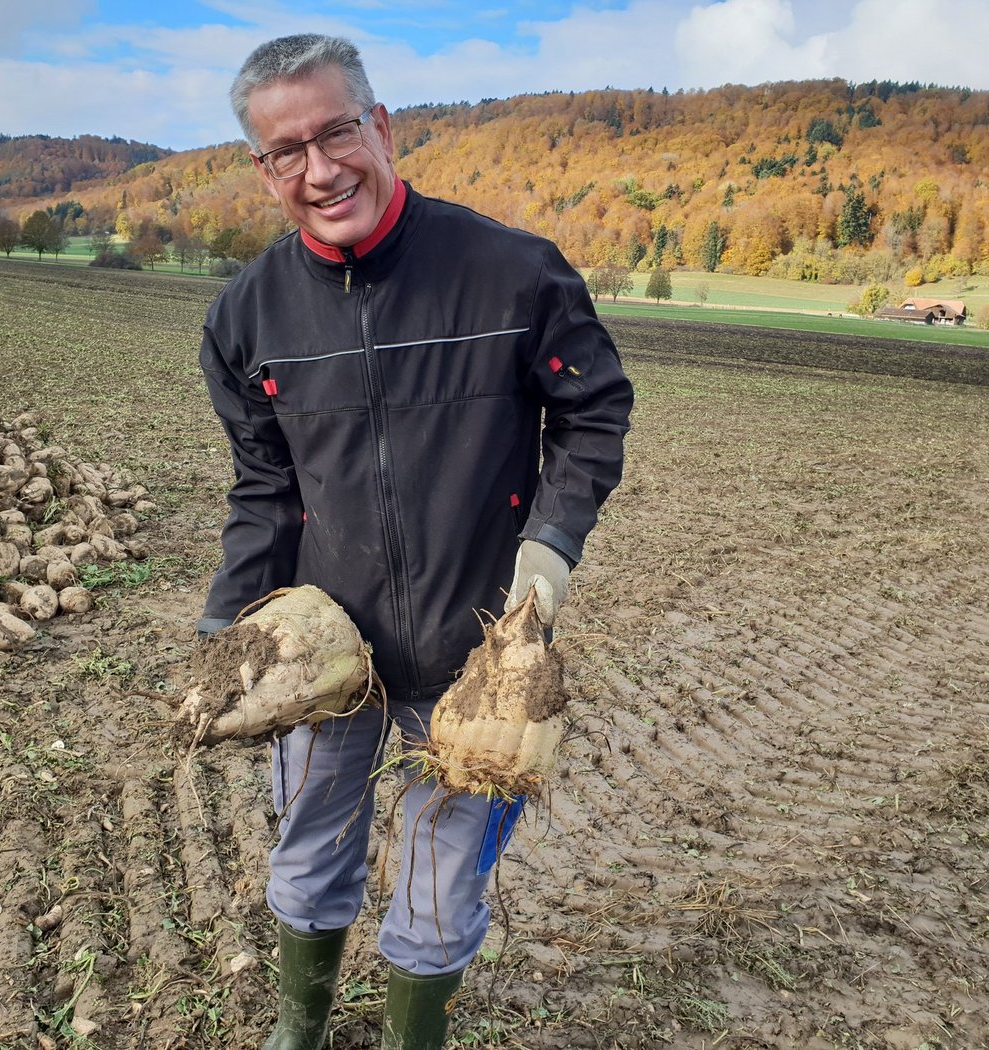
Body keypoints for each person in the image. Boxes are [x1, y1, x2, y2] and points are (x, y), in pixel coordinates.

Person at [199, 33, 633, 1050]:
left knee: (440, 892)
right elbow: (264, 488)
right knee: (307, 857)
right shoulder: (246, 317)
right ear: (263, 168)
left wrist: (544, 563)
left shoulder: (511, 274)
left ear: (381, 126)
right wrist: (227, 636)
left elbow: (593, 413)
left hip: (476, 653)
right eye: (286, 151)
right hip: (326, 653)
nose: (320, 169)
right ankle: (297, 1032)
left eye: (336, 133)